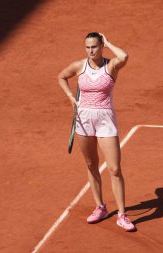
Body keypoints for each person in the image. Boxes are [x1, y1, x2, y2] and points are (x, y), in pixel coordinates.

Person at [58, 32, 135, 232]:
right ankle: (100, 207)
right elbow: (61, 76)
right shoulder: (79, 66)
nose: (90, 50)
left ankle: (122, 215)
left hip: (105, 121)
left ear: (101, 46)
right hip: (83, 120)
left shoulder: (111, 66)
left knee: (115, 169)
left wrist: (109, 42)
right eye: (87, 47)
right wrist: (70, 97)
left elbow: (124, 56)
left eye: (94, 46)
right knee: (91, 164)